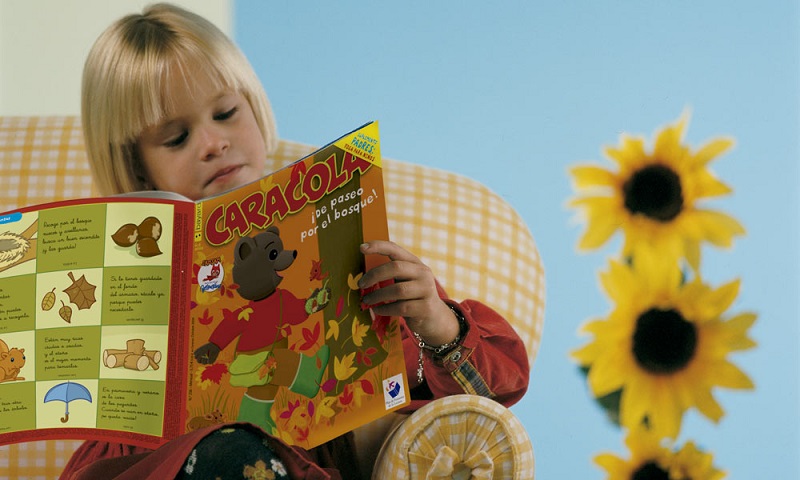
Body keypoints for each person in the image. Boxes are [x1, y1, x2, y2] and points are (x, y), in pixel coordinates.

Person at [62, 3, 529, 479]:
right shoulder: (136, 295)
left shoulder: (345, 240)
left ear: (253, 105)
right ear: (139, 168)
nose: (212, 142)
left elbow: (492, 410)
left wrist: (435, 322)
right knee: (219, 450)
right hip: (213, 455)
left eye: (225, 113)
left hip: (340, 449)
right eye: (176, 138)